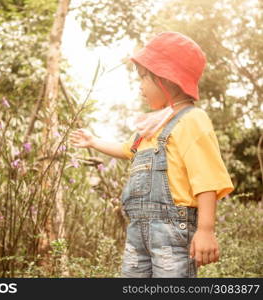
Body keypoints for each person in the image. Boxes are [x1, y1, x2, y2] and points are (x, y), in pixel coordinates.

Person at [68, 31, 234, 277]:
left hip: (172, 233)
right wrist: (94, 141)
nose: (139, 86)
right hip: (137, 232)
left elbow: (206, 179)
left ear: (165, 78)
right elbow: (127, 150)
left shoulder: (192, 120)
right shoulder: (153, 124)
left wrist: (206, 230)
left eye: (143, 78)